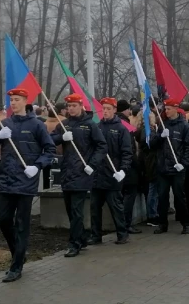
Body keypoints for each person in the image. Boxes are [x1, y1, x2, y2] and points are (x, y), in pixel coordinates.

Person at [0, 88, 56, 282]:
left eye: (17, 99)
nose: (13, 103)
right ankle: (18, 251)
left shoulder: (36, 124)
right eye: (11, 100)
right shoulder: (4, 124)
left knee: (22, 224)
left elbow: (49, 149)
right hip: (6, 179)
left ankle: (16, 265)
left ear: (25, 101)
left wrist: (37, 166)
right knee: (3, 220)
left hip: (26, 181)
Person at [51, 94, 107, 258]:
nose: (71, 108)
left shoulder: (90, 125)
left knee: (76, 210)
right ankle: (81, 237)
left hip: (82, 172)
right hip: (67, 172)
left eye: (74, 105)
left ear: (81, 106)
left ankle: (74, 243)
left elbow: (102, 146)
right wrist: (61, 137)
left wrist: (92, 164)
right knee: (70, 209)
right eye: (69, 106)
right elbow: (50, 139)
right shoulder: (64, 124)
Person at [146, 98, 189, 235]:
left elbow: (188, 147)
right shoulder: (162, 124)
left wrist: (183, 163)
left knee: (179, 196)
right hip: (162, 168)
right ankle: (162, 224)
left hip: (177, 168)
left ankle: (185, 223)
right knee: (162, 197)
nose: (166, 111)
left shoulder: (183, 125)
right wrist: (160, 136)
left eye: (168, 109)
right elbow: (153, 145)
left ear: (175, 109)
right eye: (165, 109)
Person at [88, 97, 132, 245]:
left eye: (108, 109)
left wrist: (123, 170)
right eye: (103, 109)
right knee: (94, 208)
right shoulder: (97, 127)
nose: (105, 112)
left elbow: (127, 152)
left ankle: (122, 233)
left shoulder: (121, 129)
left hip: (113, 174)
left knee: (116, 207)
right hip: (97, 175)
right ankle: (96, 235)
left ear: (114, 110)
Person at [116, 99, 142, 234]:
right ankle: (126, 223)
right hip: (128, 166)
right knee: (129, 194)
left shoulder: (114, 123)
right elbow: (130, 148)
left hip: (115, 166)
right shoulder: (125, 124)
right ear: (126, 110)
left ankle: (121, 224)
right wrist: (137, 165)